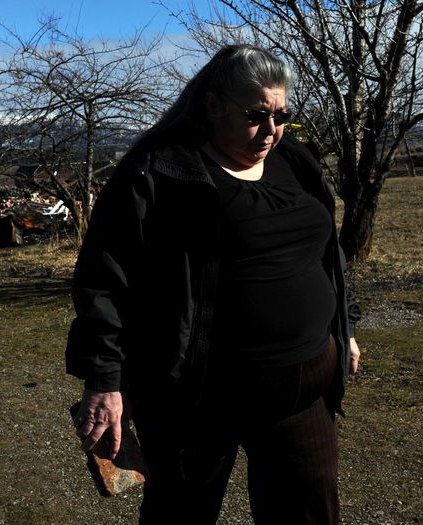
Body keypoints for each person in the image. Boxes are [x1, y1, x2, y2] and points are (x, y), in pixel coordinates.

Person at [65, 45, 362, 524]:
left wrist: (343, 324)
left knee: (307, 512)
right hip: (201, 393)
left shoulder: (296, 161)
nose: (271, 130)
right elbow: (103, 280)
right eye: (256, 115)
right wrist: (105, 379)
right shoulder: (159, 170)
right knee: (181, 512)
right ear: (211, 104)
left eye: (282, 114)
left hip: (304, 384)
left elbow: (323, 253)